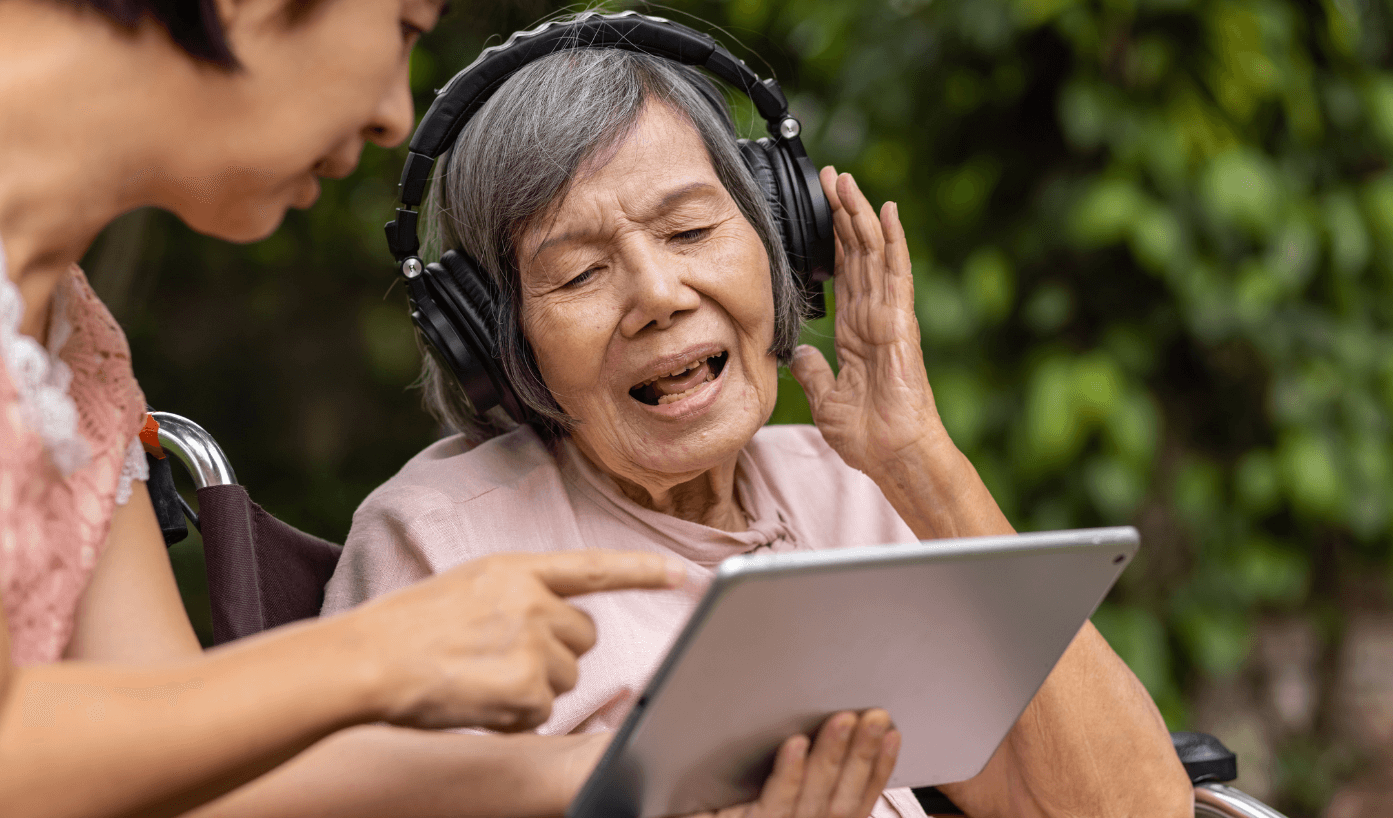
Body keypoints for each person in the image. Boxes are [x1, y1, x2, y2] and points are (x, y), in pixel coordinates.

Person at [0, 3, 900, 818]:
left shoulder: (73, 332)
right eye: (400, 26)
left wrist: (628, 778)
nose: (395, 112)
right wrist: (379, 657)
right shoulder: (436, 532)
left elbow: (173, 765)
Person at [324, 42, 1197, 818]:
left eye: (691, 229)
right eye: (581, 273)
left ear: (779, 242)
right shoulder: (441, 542)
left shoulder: (850, 487)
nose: (658, 294)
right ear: (495, 339)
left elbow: (1128, 808)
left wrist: (920, 463)